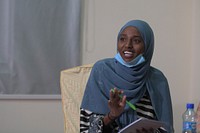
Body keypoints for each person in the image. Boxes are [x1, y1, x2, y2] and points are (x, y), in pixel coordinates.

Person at [80, 20, 174, 133]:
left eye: (136, 41)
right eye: (122, 39)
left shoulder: (157, 79)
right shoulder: (101, 71)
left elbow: (166, 128)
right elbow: (86, 129)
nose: (128, 45)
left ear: (147, 46)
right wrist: (111, 115)